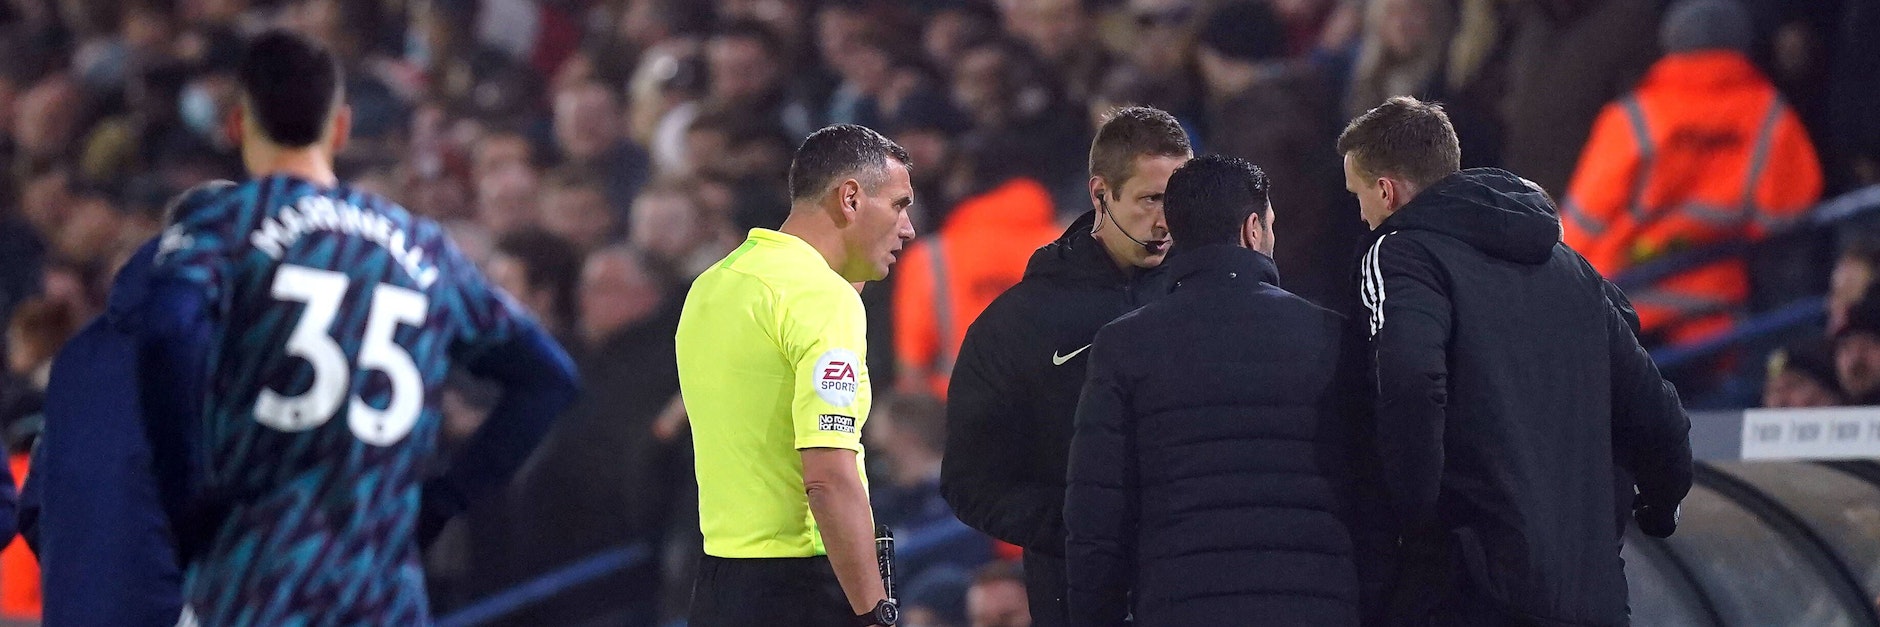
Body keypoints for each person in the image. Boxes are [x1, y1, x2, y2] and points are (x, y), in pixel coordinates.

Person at [132, 31, 579, 625]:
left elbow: (163, 332)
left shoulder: (228, 222)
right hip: (379, 592)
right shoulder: (423, 247)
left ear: (237, 125)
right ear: (339, 128)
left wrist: (180, 494)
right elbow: (549, 379)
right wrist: (441, 503)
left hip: (253, 584)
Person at [1338, 96, 1693, 625]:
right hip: (1592, 598)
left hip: (1475, 590)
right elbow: (1656, 412)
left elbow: (1411, 381)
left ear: (1386, 191)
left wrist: (1414, 520)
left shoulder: (1399, 253)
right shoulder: (1573, 270)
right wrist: (1662, 505)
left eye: (1359, 195)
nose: (1361, 214)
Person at [1064, 155, 1363, 625]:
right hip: (1316, 605)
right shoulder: (1336, 337)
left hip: (1181, 606)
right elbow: (1372, 496)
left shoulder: (1124, 346)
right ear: (1252, 229)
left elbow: (1095, 515)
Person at [942, 106, 1191, 627]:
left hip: (1201, 587)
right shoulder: (1019, 323)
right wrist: (1084, 526)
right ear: (1101, 194)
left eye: (1179, 200)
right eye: (1150, 199)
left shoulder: (1211, 298)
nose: (1167, 218)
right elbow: (970, 481)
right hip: (1078, 597)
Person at [676, 123, 915, 627]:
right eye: (898, 204)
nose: (908, 227)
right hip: (799, 587)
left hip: (718, 585)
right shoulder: (822, 299)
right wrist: (876, 613)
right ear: (850, 198)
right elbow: (827, 478)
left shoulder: (713, 285)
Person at [1561, 0, 1824, 346]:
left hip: (1625, 314)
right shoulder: (1770, 117)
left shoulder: (1632, 118)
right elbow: (1785, 221)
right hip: (1716, 324)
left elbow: (1582, 222)